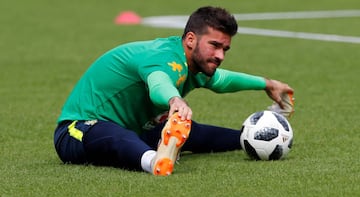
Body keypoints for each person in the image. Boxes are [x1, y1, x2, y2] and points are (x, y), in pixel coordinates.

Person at [54, 6, 294, 176]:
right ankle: (155, 162)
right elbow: (159, 82)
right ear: (190, 39)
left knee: (194, 132)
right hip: (78, 130)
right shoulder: (161, 58)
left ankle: (247, 139)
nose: (220, 55)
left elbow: (223, 80)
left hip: (133, 130)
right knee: (113, 134)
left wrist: (267, 83)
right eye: (215, 46)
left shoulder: (194, 63)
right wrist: (174, 99)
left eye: (225, 49)